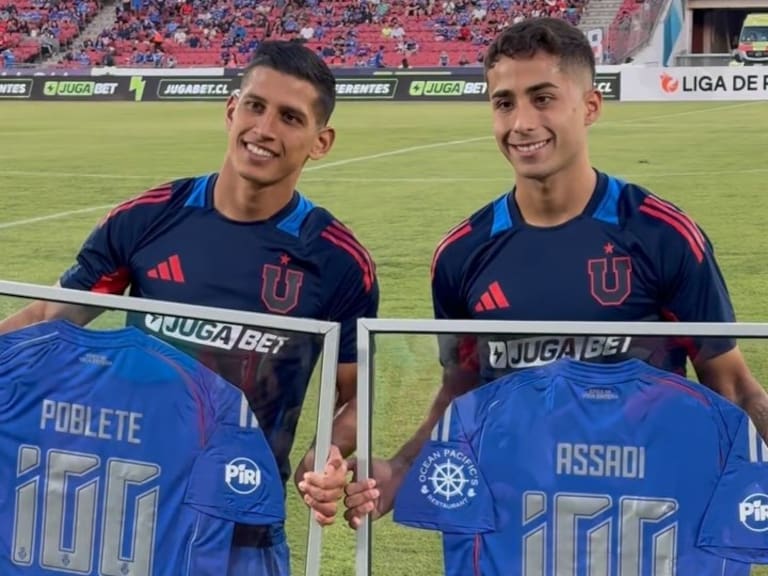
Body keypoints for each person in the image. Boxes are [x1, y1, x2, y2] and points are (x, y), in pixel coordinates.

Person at [343, 16, 768, 530]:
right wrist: (402, 467)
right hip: (511, 530)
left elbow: (733, 387)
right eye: (504, 103)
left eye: (542, 98)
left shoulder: (663, 236)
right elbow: (461, 391)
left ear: (589, 107)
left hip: (645, 525)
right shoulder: (460, 255)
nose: (521, 122)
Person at [0, 40, 379, 576]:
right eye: (255, 106)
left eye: (290, 117)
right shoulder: (146, 220)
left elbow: (355, 391)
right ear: (231, 110)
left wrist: (327, 457)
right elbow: (45, 321)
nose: (265, 129)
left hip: (241, 521)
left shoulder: (338, 260)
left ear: (321, 141)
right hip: (133, 504)